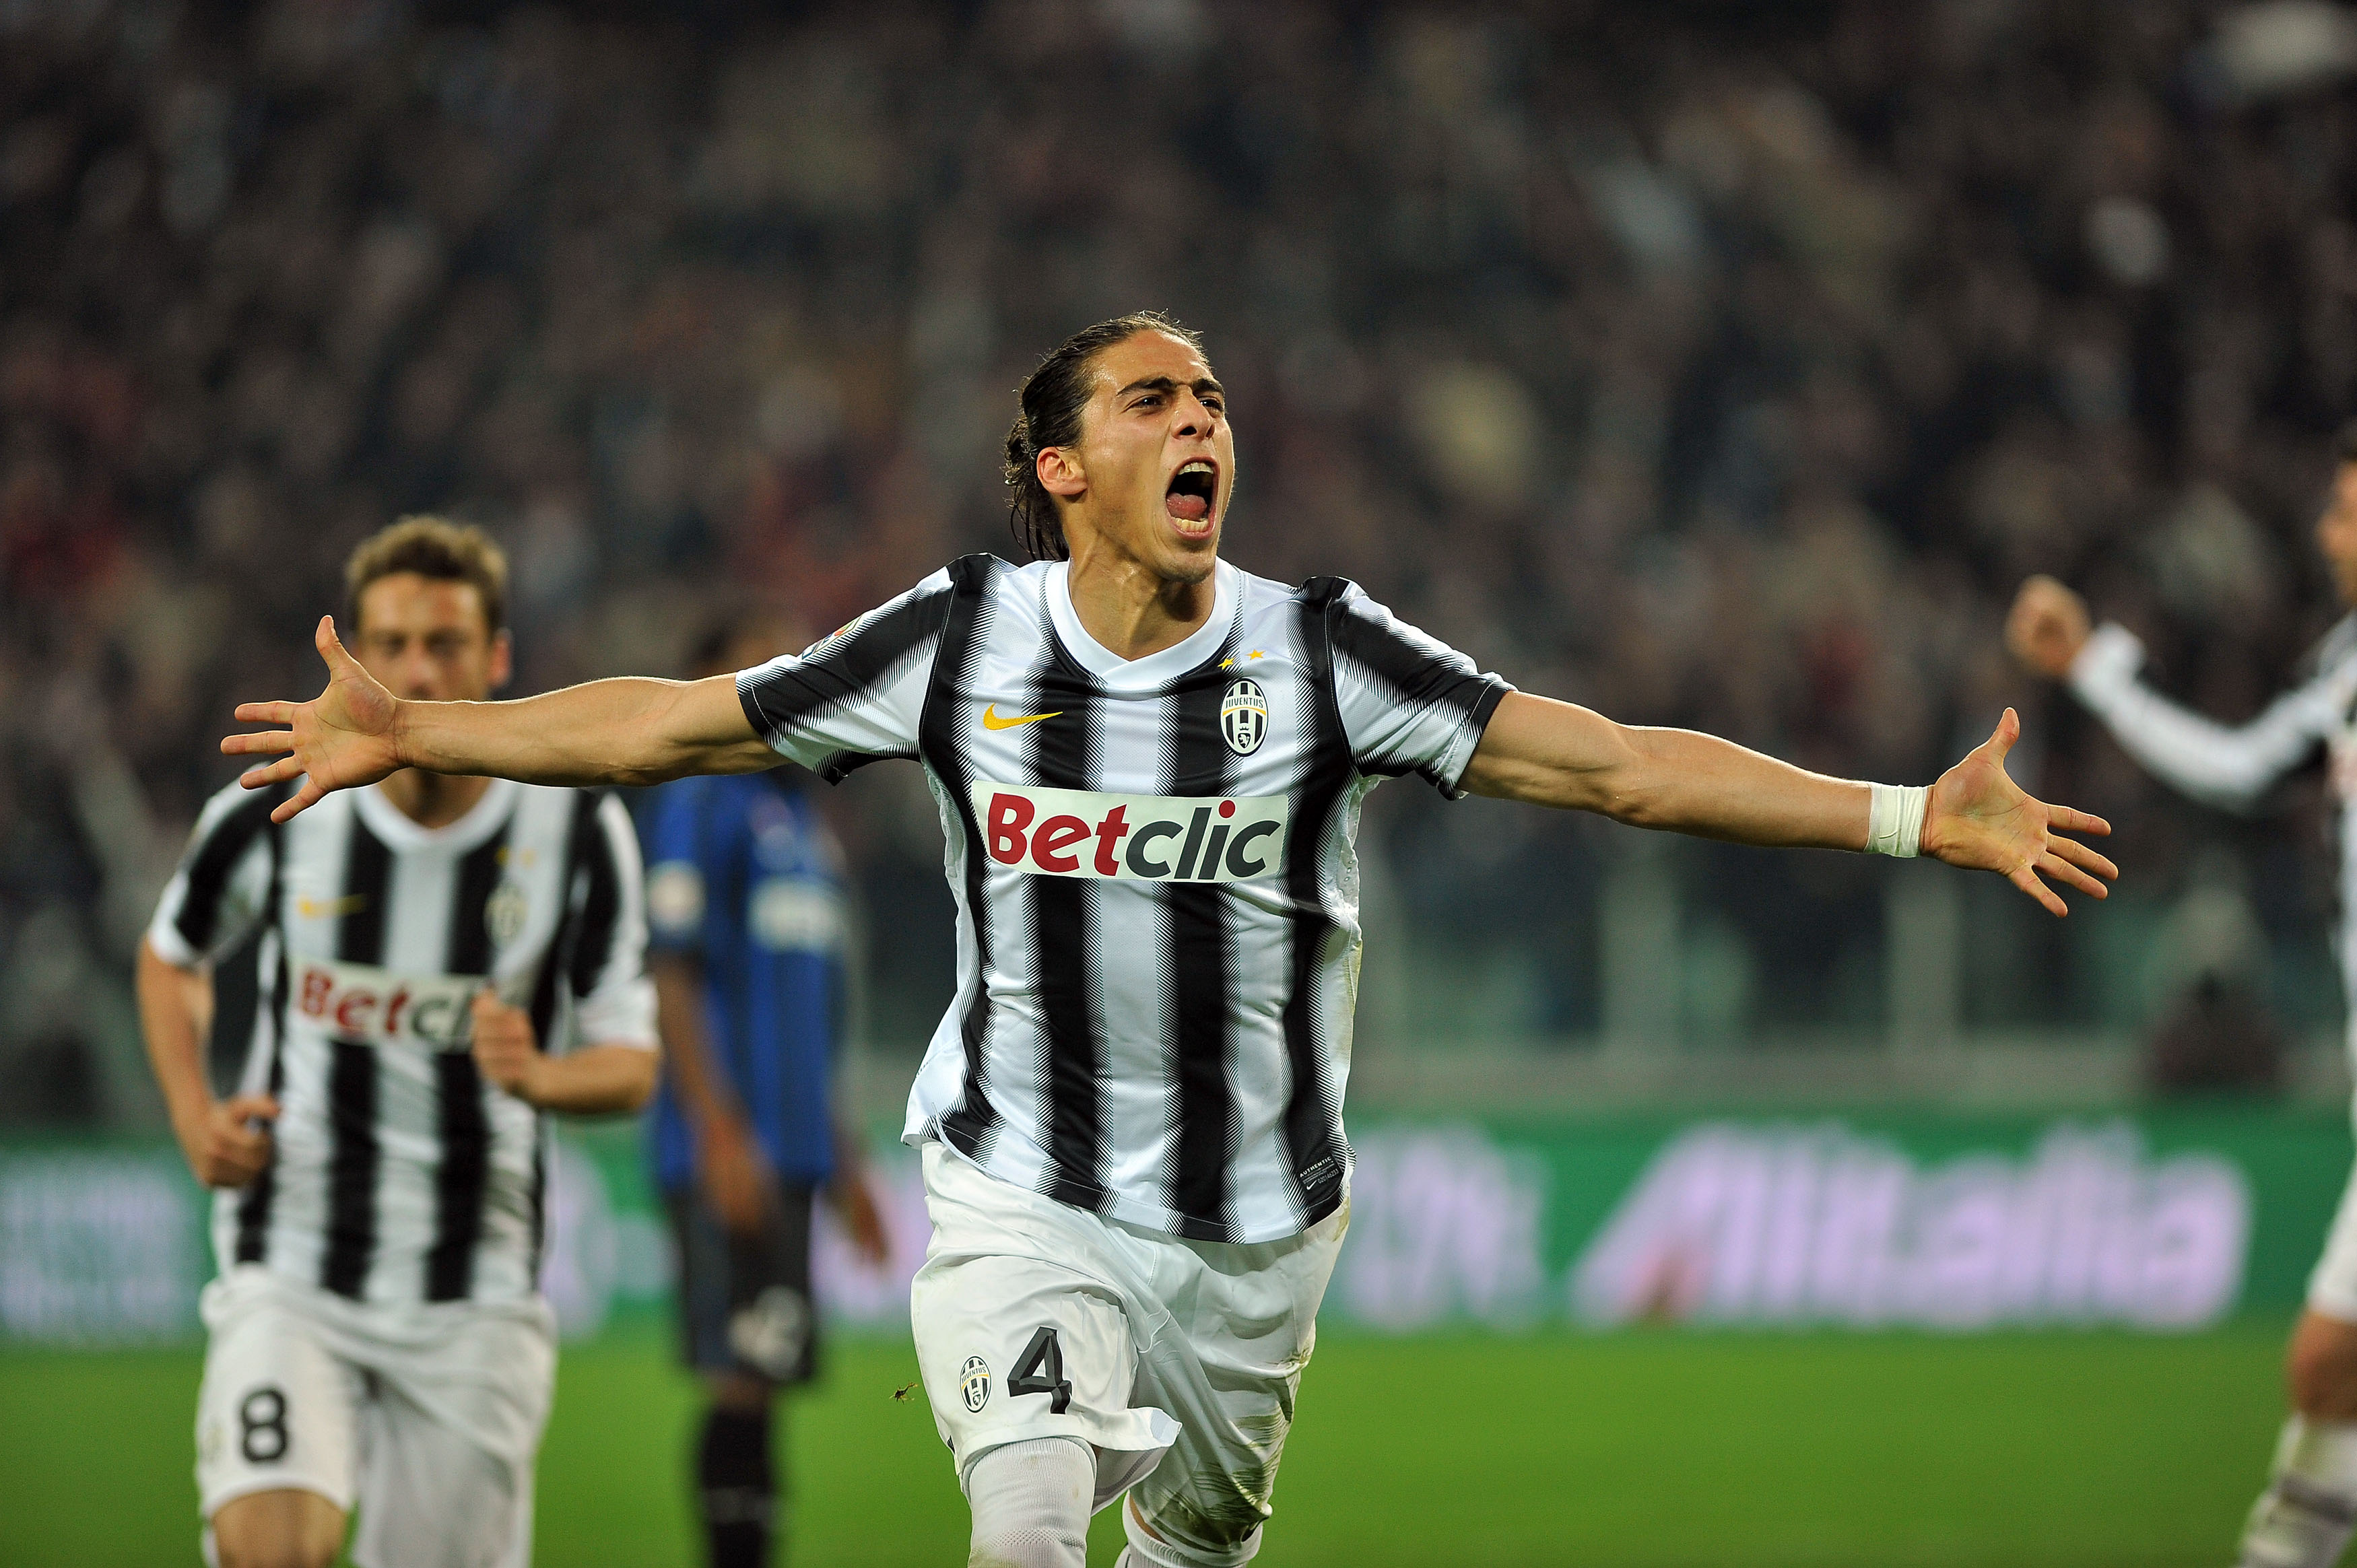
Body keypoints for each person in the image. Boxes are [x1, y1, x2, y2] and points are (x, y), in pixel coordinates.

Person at [224, 314, 2115, 1568]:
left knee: (1187, 1548)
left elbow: (1613, 767)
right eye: (1151, 399)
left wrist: (1902, 813)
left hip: (1253, 1235)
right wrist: (418, 725)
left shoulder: (1324, 652)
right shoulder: (960, 640)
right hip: (1020, 1190)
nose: (1200, 419)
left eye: (1208, 399)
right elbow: (669, 722)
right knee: (1026, 1530)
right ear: (1061, 467)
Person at [142, 518, 658, 1568]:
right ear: (356, 656)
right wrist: (194, 1115)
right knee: (268, 1552)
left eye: (445, 643)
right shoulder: (277, 801)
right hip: (292, 1261)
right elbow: (171, 954)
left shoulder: (575, 828)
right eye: (391, 644)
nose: (417, 671)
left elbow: (632, 1062)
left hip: (475, 1292)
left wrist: (541, 1074)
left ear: (496, 658)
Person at [2009, 421, 2357, 1568]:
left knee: (2328, 1365)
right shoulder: (2345, 669)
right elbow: (2244, 770)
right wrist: (2093, 667)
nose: (2328, 534)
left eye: (2348, 512)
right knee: (2328, 1371)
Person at [641, 610, 891, 1568]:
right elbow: (672, 972)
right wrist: (718, 1131)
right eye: (754, 669)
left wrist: (845, 1158)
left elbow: (811, 1012)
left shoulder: (803, 824)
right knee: (740, 1376)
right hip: (731, 1149)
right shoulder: (700, 800)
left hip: (794, 1147)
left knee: (765, 1372)